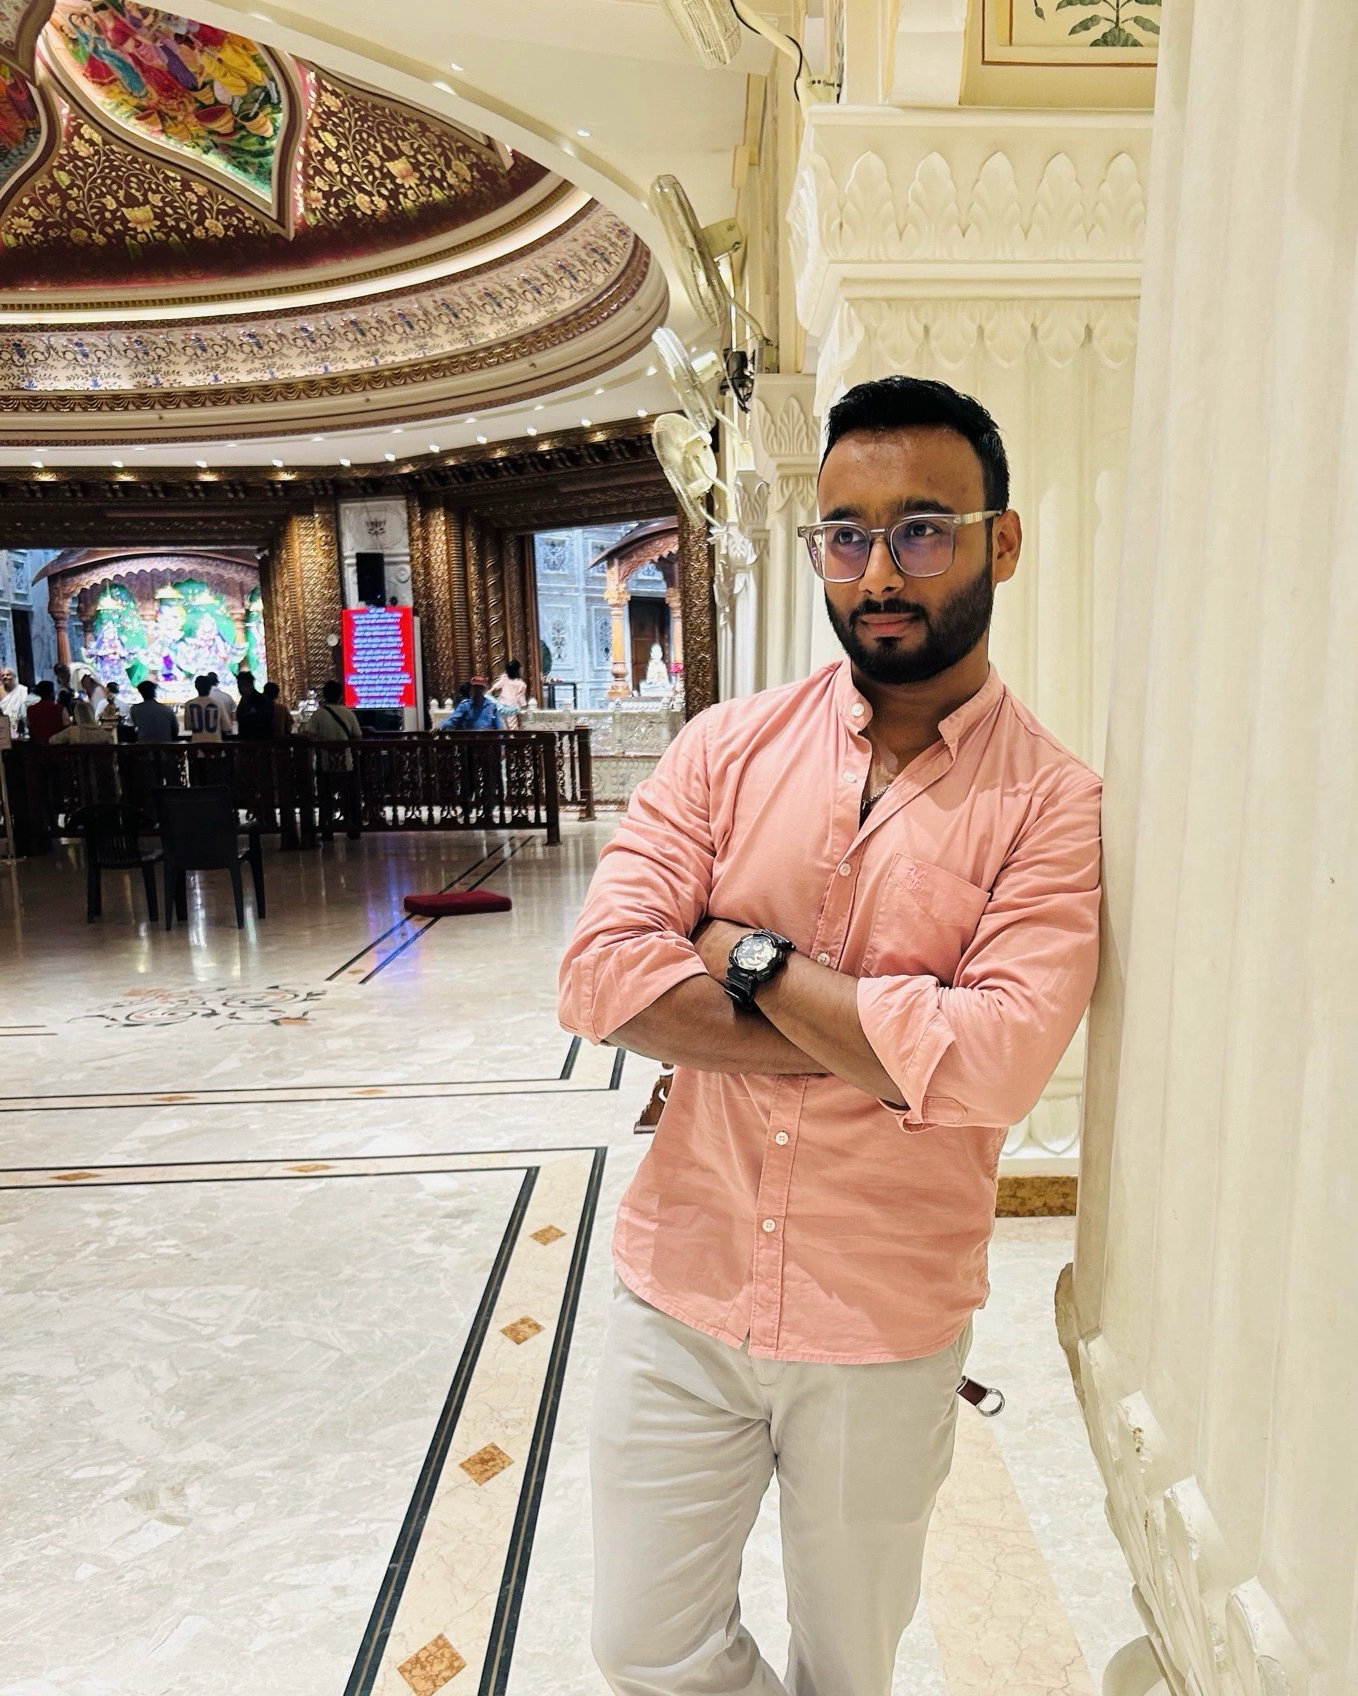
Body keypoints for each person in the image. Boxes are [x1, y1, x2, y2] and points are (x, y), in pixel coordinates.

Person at [559, 375, 1104, 1696]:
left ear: (1000, 542)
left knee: (848, 1665)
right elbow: (600, 980)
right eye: (845, 535)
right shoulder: (723, 750)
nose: (878, 572)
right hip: (680, 1289)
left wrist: (743, 956)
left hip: (880, 1317)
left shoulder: (1050, 804)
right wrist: (898, 1039)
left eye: (920, 529)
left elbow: (997, 1067)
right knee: (643, 1644)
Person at [302, 678, 362, 839]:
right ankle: (351, 827)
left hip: (325, 763)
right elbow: (357, 736)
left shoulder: (319, 714)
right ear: (340, 696)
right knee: (348, 795)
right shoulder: (348, 713)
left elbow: (308, 735)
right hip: (346, 763)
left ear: (324, 695)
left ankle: (326, 829)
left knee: (325, 797)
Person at [128, 680, 179, 744]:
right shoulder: (167, 709)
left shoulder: (134, 709)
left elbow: (133, 728)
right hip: (165, 747)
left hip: (144, 747)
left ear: (141, 693)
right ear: (154, 692)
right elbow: (175, 730)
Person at [50, 699, 115, 745]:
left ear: (76, 715)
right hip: (99, 761)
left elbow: (52, 740)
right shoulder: (104, 735)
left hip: (77, 761)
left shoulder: (71, 732)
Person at [24, 679, 68, 745]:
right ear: (51, 693)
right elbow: (66, 727)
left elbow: (30, 728)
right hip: (57, 747)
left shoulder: (30, 709)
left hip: (38, 747)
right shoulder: (60, 709)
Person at [234, 668, 273, 742]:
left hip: (260, 741)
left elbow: (265, 721)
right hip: (245, 740)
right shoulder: (243, 701)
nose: (241, 689)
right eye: (239, 686)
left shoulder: (261, 700)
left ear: (251, 685)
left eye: (244, 685)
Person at [182, 676, 223, 743]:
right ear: (210, 687)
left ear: (196, 687)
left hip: (197, 742)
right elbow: (227, 727)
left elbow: (188, 726)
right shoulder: (218, 704)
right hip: (215, 743)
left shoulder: (188, 704)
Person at [489, 658, 528, 723]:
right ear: (518, 670)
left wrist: (489, 694)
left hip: (501, 706)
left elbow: (495, 687)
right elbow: (520, 698)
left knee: (501, 724)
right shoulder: (521, 684)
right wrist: (524, 707)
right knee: (512, 726)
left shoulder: (504, 678)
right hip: (512, 708)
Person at [206, 671, 236, 737]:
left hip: (210, 733)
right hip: (227, 733)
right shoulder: (228, 697)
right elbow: (234, 716)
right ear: (217, 682)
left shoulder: (205, 698)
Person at [0, 667, 28, 735]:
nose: (5, 677)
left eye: (8, 674)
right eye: (3, 675)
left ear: (14, 677)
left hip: (19, 724)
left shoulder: (22, 690)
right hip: (3, 725)